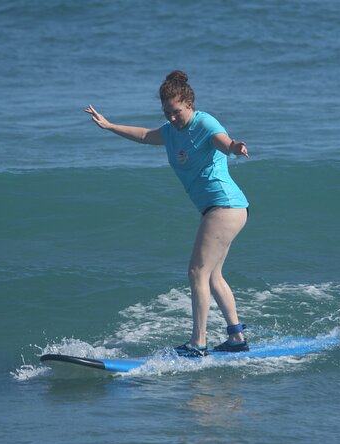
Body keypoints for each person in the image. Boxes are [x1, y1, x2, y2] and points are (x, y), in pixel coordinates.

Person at [85, 70, 250, 357]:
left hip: (224, 206)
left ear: (189, 104)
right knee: (212, 276)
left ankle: (198, 343)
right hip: (222, 208)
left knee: (196, 272)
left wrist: (234, 147)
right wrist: (110, 126)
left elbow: (222, 141)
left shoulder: (204, 122)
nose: (172, 118)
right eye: (167, 113)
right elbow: (146, 136)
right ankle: (236, 336)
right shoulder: (171, 131)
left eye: (176, 112)